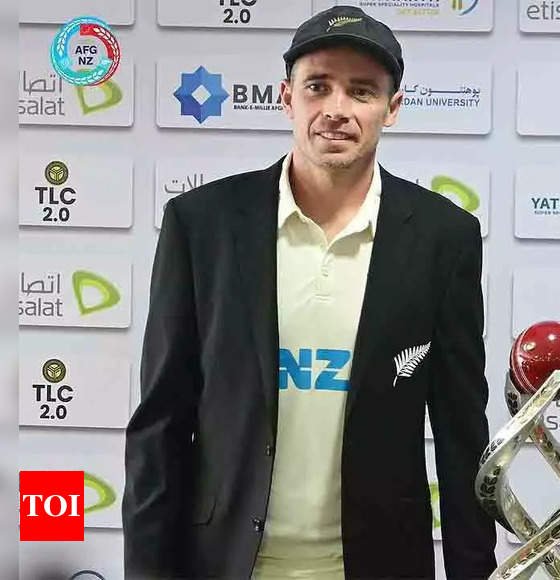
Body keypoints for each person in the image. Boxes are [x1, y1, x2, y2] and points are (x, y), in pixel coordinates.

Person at [121, 6, 497, 579]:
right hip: (225, 563)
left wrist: (475, 571)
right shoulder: (202, 225)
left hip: (381, 564)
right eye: (317, 86)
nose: (336, 109)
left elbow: (460, 431)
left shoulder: (444, 238)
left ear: (392, 108)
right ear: (286, 97)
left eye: (362, 91)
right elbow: (161, 424)